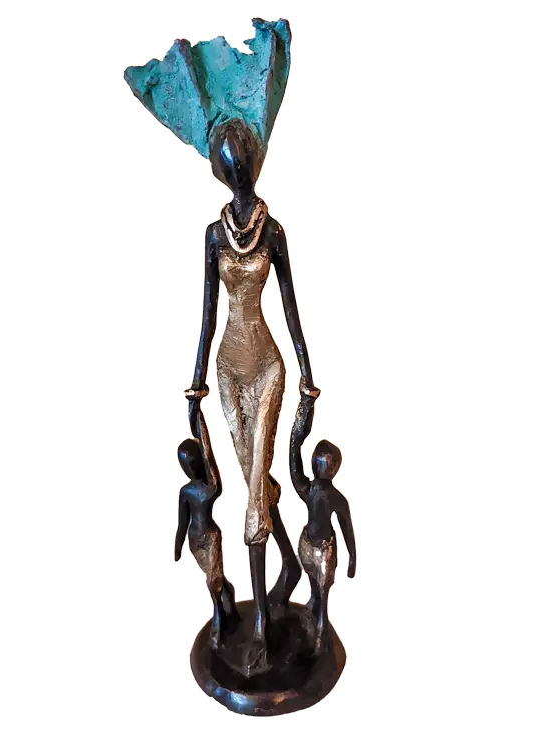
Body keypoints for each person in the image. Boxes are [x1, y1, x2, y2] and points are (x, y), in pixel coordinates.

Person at [186, 118, 317, 669]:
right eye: (229, 163)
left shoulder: (273, 232)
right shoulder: (215, 235)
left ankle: (262, 616)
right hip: (228, 372)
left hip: (264, 369)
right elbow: (207, 313)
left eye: (243, 160)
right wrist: (196, 384)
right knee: (254, 485)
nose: (238, 170)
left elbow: (291, 311)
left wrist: (307, 377)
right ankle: (288, 568)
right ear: (222, 172)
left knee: (253, 498)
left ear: (254, 164)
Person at [289, 394, 357, 655]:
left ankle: (320, 628)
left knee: (320, 588)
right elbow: (346, 528)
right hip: (317, 546)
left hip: (313, 545)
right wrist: (353, 556)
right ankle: (318, 617)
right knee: (319, 588)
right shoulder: (335, 498)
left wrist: (295, 441)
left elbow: (295, 469)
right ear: (335, 469)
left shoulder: (310, 490)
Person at [175, 407, 238, 649]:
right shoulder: (187, 491)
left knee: (214, 582)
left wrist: (199, 419)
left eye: (191, 461)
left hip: (210, 538)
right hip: (195, 539)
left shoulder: (209, 488)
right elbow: (182, 520)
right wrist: (178, 544)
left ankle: (220, 618)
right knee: (215, 579)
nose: (188, 467)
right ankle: (229, 605)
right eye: (184, 464)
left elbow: (210, 458)